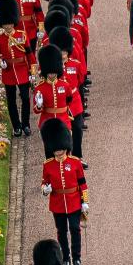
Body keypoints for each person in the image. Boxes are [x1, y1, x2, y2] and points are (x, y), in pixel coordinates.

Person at [41, 119, 88, 265]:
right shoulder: (48, 165)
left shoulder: (75, 162)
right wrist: (45, 190)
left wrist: (84, 202)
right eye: (56, 149)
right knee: (61, 232)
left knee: (75, 229)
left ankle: (77, 257)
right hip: (57, 203)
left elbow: (82, 184)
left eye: (61, 149)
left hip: (74, 201)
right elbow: (44, 183)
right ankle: (65, 258)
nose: (59, 152)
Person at [0, 0, 35, 138]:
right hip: (9, 73)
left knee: (25, 98)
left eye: (10, 23)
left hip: (23, 70)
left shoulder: (22, 35)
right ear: (1, 23)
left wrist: (33, 71)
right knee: (11, 101)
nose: (8, 26)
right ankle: (16, 126)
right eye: (5, 24)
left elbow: (30, 55)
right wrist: (1, 63)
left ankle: (26, 124)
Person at [48, 28, 87, 166]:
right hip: (60, 103)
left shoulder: (75, 64)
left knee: (77, 129)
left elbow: (81, 79)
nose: (63, 54)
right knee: (63, 131)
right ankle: (66, 157)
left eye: (64, 51)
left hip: (74, 102)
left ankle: (78, 156)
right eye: (61, 51)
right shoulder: (52, 68)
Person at [33, 45, 74, 146]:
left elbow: (69, 99)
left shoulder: (64, 85)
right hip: (47, 121)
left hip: (63, 120)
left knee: (65, 147)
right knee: (49, 150)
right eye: (49, 72)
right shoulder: (39, 88)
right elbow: (36, 110)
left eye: (54, 72)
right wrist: (39, 105)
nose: (52, 75)